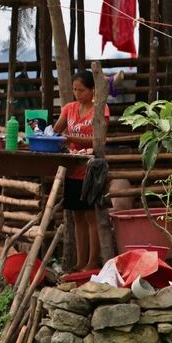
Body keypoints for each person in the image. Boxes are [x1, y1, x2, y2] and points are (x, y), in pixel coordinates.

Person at [52, 70, 115, 271]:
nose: (77, 94)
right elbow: (55, 131)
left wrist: (70, 138)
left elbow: (99, 139)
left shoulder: (101, 109)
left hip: (91, 171)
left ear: (92, 90)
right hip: (73, 169)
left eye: (81, 90)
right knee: (77, 217)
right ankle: (80, 261)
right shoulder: (69, 108)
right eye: (74, 90)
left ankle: (92, 261)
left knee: (91, 217)